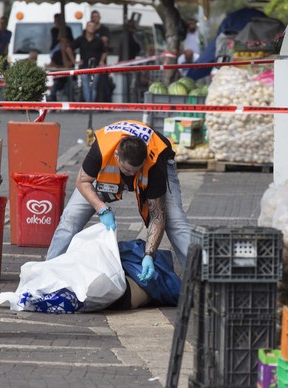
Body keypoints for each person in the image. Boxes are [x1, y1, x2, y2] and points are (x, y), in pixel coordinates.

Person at [46, 120, 192, 280]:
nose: (131, 174)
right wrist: (102, 208)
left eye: (136, 170)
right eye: (127, 170)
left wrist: (149, 254)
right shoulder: (101, 149)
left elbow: (158, 217)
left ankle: (198, 281)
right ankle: (48, 273)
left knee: (176, 222)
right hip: (106, 174)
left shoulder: (154, 164)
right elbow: (82, 181)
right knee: (70, 219)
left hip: (161, 160)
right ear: (116, 156)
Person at [66, 21, 107, 103]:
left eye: (93, 26)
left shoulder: (98, 40)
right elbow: (69, 48)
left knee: (93, 87)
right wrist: (74, 61)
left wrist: (102, 60)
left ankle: (91, 104)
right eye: (90, 26)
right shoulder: (81, 39)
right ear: (86, 28)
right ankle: (89, 104)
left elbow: (105, 51)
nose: (91, 28)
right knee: (85, 86)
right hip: (84, 67)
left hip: (95, 67)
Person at [90, 10, 113, 102]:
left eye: (97, 16)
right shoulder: (89, 29)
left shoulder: (104, 29)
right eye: (93, 16)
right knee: (92, 84)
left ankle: (106, 101)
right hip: (91, 59)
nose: (95, 18)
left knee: (103, 82)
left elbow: (105, 42)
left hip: (101, 60)